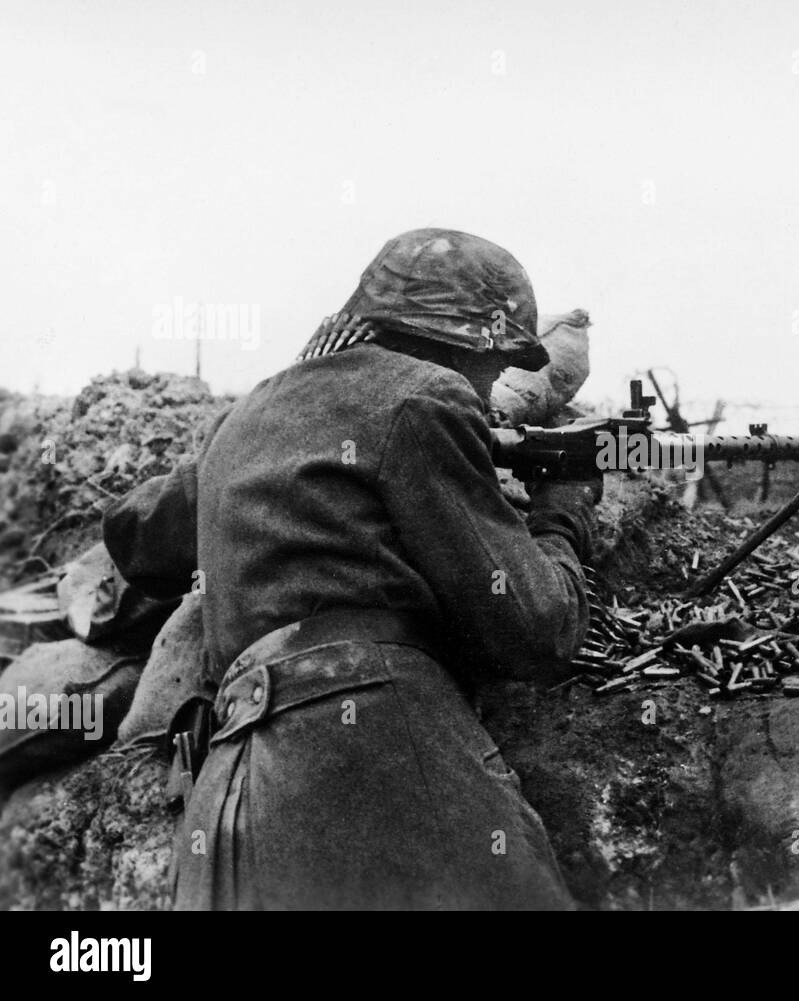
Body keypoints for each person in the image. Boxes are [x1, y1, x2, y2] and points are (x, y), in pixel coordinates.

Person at [104, 228, 600, 909]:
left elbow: (135, 537)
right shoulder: (430, 396)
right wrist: (562, 513)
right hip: (379, 754)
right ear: (466, 342)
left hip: (235, 789)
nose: (492, 387)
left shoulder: (252, 412)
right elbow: (539, 629)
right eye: (501, 360)